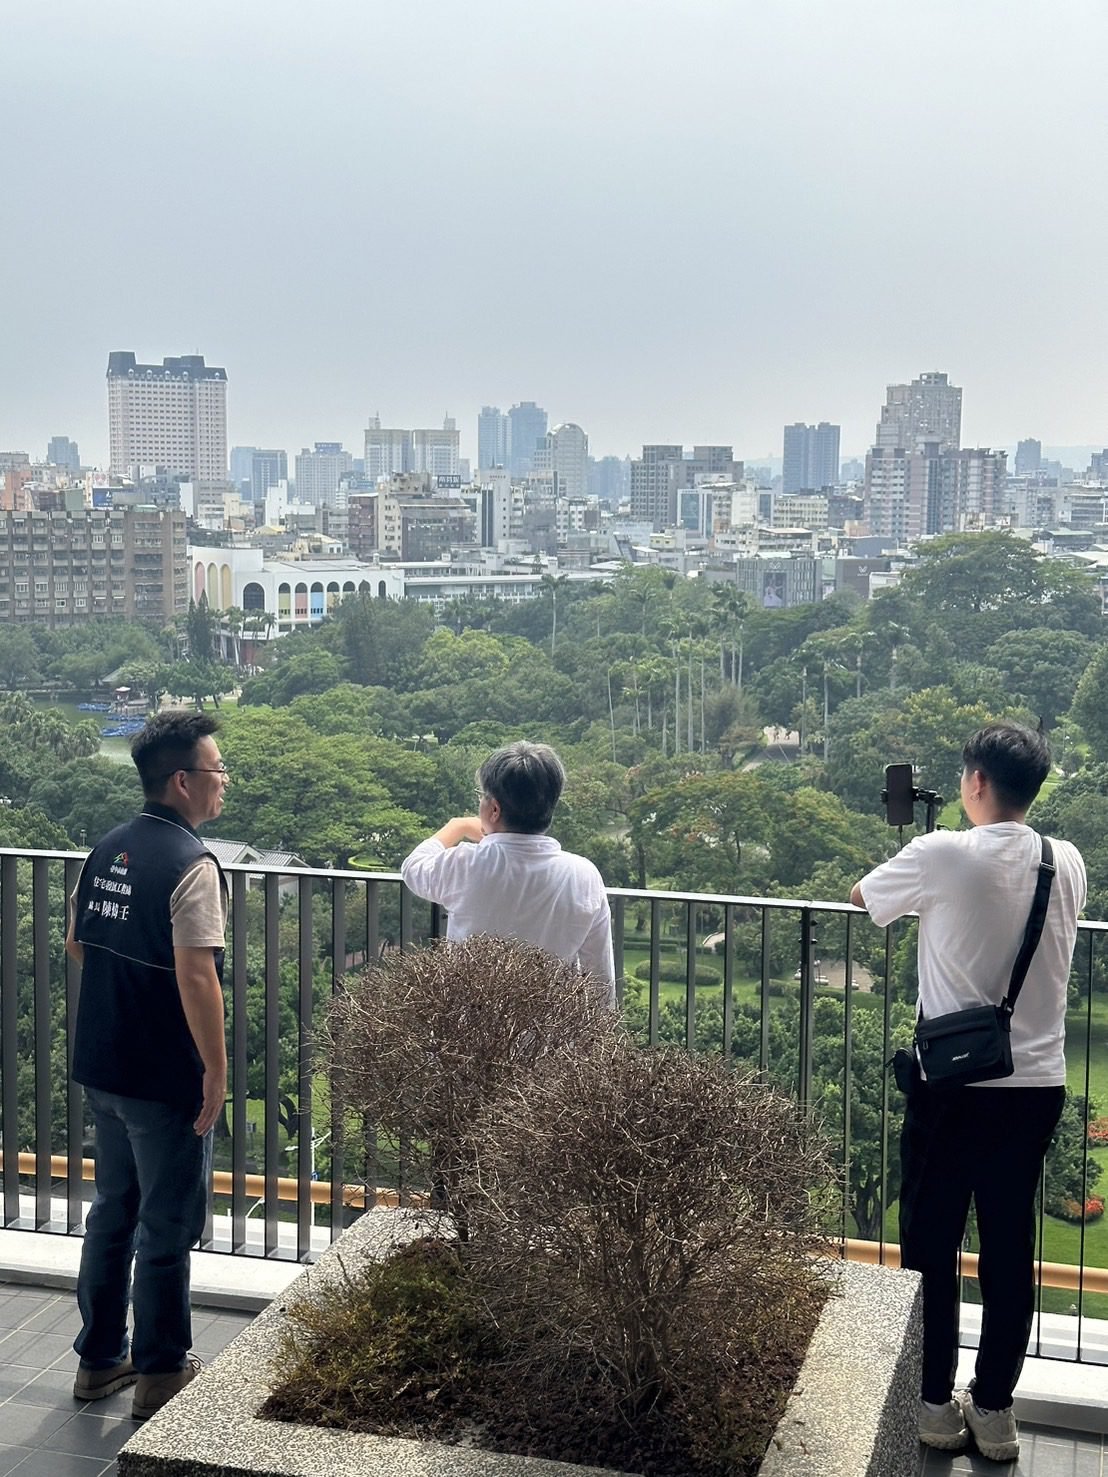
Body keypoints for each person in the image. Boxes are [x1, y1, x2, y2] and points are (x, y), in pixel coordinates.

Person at [850, 723, 1085, 1463]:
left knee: (931, 1241)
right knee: (1008, 1244)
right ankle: (995, 1409)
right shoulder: (1066, 860)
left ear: (975, 782)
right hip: (1036, 1084)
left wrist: (925, 861)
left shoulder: (942, 851)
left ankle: (931, 1400)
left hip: (952, 1083)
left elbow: (863, 896)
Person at [66, 712, 230, 1421]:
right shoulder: (192, 865)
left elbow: (78, 941)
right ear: (184, 780)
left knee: (113, 1211)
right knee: (167, 1223)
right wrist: (216, 1072)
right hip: (165, 1077)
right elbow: (199, 979)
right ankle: (161, 1372)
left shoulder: (107, 847)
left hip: (103, 1061)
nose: (224, 784)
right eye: (218, 771)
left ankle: (100, 1358)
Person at [400, 740, 616, 1002]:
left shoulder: (466, 864)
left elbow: (413, 867)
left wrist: (457, 827)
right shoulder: (584, 875)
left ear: (494, 809)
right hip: (551, 1033)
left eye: (481, 795)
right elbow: (600, 978)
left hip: (467, 1033)